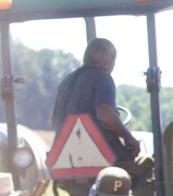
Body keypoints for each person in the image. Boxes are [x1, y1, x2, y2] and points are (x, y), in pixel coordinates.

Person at [50, 38, 140, 167]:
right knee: (142, 168)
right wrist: (128, 138)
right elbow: (106, 116)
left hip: (63, 160)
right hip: (95, 157)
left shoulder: (66, 82)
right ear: (109, 61)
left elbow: (54, 120)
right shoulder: (103, 77)